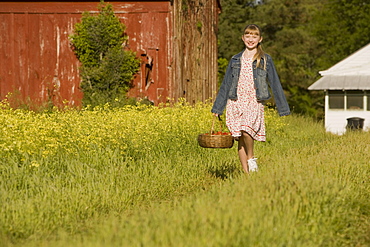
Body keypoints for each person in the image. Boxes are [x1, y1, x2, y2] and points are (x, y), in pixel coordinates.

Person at [211, 24, 290, 174]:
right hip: (235, 101)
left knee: (247, 130)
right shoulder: (235, 59)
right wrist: (218, 108)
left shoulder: (265, 59)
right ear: (243, 38)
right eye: (248, 36)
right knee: (239, 137)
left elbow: (275, 82)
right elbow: (226, 83)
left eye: (254, 36)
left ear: (260, 39)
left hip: (254, 100)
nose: (250, 39)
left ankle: (251, 158)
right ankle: (247, 175)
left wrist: (283, 108)